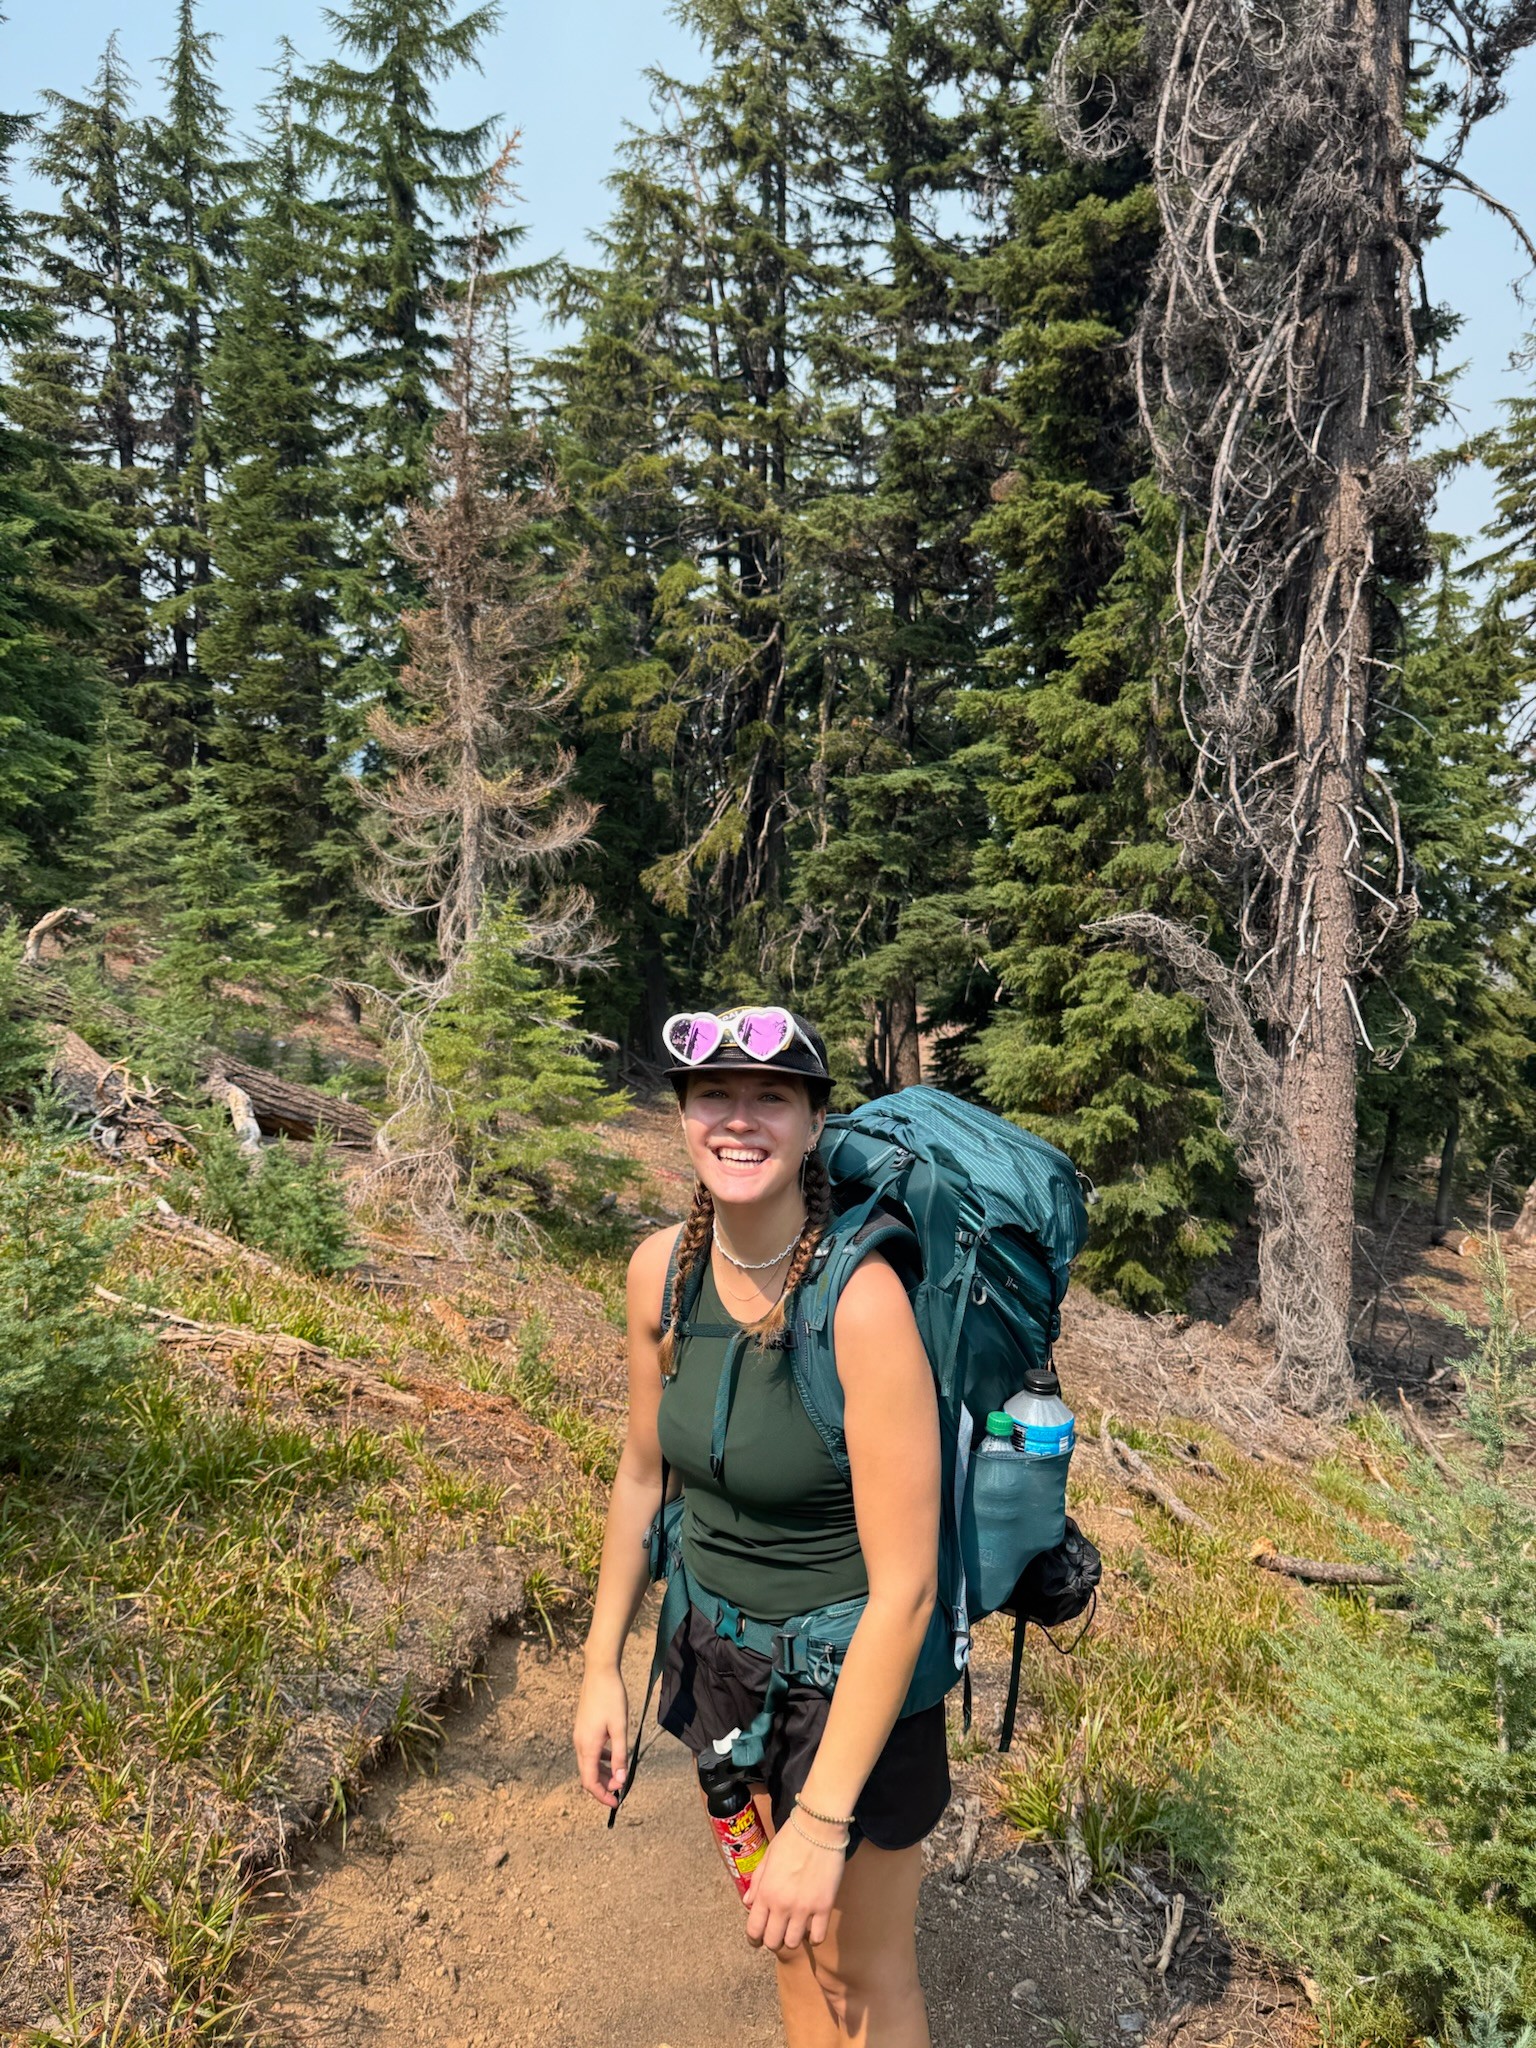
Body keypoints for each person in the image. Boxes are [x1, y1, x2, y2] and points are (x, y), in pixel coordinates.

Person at [573, 1004, 947, 2047]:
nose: (740, 1120)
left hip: (852, 1683)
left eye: (771, 1096)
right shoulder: (664, 1271)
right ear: (684, 1116)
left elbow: (908, 1586)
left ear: (813, 1121)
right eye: (714, 1096)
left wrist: (825, 1819)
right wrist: (602, 1662)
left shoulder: (861, 1301)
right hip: (722, 1667)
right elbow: (645, 1473)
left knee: (861, 1977)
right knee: (786, 1939)